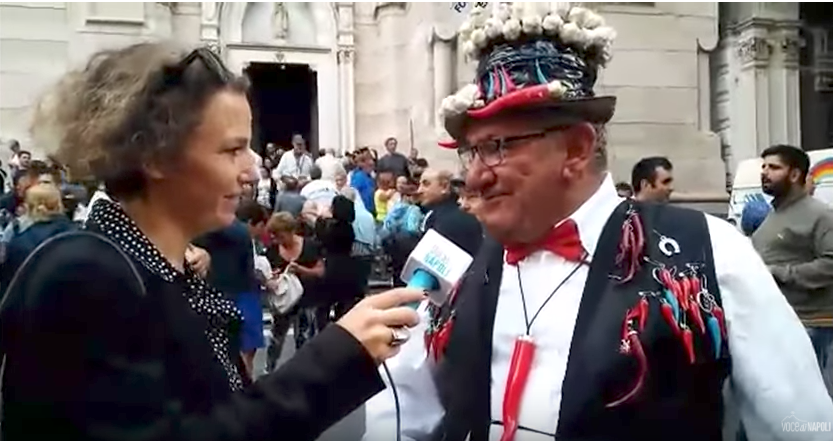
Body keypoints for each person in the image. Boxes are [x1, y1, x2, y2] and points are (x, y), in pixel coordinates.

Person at [364, 4, 832, 441]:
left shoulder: (708, 251)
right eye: (472, 151)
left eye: (498, 147)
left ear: (576, 149)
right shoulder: (458, 263)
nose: (475, 175)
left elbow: (802, 423)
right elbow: (404, 409)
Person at [0, 42, 423, 441]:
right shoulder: (85, 277)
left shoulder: (168, 269)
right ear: (155, 155)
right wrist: (337, 355)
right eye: (232, 150)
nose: (253, 171)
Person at [752, 144, 833, 395]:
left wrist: (778, 272)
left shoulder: (820, 215)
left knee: (809, 406)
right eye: (763, 166)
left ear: (795, 175)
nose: (764, 172)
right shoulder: (772, 215)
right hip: (778, 322)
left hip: (811, 326)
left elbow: (830, 263)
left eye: (774, 167)